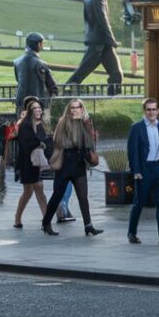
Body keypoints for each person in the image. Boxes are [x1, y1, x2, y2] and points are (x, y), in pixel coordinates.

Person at [40, 99, 103, 236]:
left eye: (77, 107)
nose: (75, 110)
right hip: (65, 163)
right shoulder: (64, 122)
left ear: (82, 109)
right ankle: (46, 223)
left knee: (83, 197)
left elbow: (91, 142)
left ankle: (88, 226)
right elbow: (58, 140)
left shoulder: (85, 122)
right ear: (69, 110)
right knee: (57, 195)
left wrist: (86, 124)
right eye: (72, 108)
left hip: (79, 163)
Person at [66, 0, 123, 95]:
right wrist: (112, 40)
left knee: (116, 74)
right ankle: (63, 93)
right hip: (98, 44)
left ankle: (114, 98)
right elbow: (103, 21)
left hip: (101, 44)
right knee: (79, 74)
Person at [126, 97, 159, 245]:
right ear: (144, 111)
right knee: (139, 203)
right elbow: (132, 152)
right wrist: (136, 171)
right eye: (148, 109)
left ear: (158, 111)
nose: (151, 112)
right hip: (144, 170)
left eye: (154, 109)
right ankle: (131, 233)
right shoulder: (137, 128)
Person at [13, 99, 50, 228]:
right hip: (27, 163)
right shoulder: (25, 125)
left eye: (39, 108)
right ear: (30, 111)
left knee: (39, 189)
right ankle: (17, 218)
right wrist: (39, 144)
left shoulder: (40, 125)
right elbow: (25, 144)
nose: (38, 110)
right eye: (35, 108)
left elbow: (44, 139)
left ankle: (46, 220)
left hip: (37, 163)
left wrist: (43, 144)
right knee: (28, 191)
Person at [14, 32, 58, 110]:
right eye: (42, 43)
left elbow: (18, 80)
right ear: (38, 44)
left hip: (21, 105)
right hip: (38, 106)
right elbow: (52, 86)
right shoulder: (41, 64)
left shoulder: (17, 62)